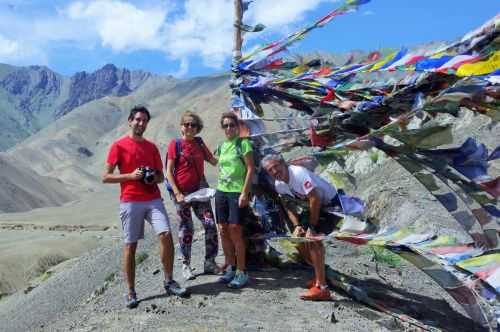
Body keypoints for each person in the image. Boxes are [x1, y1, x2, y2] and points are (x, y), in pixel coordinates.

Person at [102, 105, 188, 309]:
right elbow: (105, 176)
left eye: (145, 121)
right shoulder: (118, 146)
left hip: (153, 199)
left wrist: (152, 179)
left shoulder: (151, 147)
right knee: (130, 246)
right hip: (130, 201)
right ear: (130, 121)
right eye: (138, 119)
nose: (141, 123)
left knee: (166, 235)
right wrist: (130, 176)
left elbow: (160, 175)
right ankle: (131, 291)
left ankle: (169, 281)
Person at [262, 153, 337, 301]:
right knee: (298, 240)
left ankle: (322, 288)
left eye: (276, 166)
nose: (274, 171)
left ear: (283, 164)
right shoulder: (279, 184)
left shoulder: (298, 173)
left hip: (330, 206)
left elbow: (314, 198)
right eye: (270, 170)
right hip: (311, 207)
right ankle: (318, 277)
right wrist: (297, 225)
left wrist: (311, 226)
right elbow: (288, 205)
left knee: (312, 239)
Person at [165, 111, 220, 280]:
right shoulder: (175, 144)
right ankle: (186, 265)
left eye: (193, 125)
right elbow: (168, 172)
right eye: (186, 124)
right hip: (181, 194)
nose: (190, 127)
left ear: (198, 128)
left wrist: (230, 150)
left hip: (200, 191)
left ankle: (210, 262)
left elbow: (213, 161)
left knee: (210, 224)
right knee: (186, 229)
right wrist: (177, 193)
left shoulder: (199, 143)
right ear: (181, 127)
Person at [214, 112, 254, 288]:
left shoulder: (243, 144)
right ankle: (230, 267)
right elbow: (215, 163)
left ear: (237, 126)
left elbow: (251, 169)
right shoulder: (222, 146)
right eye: (225, 126)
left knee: (235, 229)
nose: (229, 128)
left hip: (237, 192)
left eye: (231, 125)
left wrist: (245, 193)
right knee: (222, 229)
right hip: (221, 192)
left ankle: (241, 271)